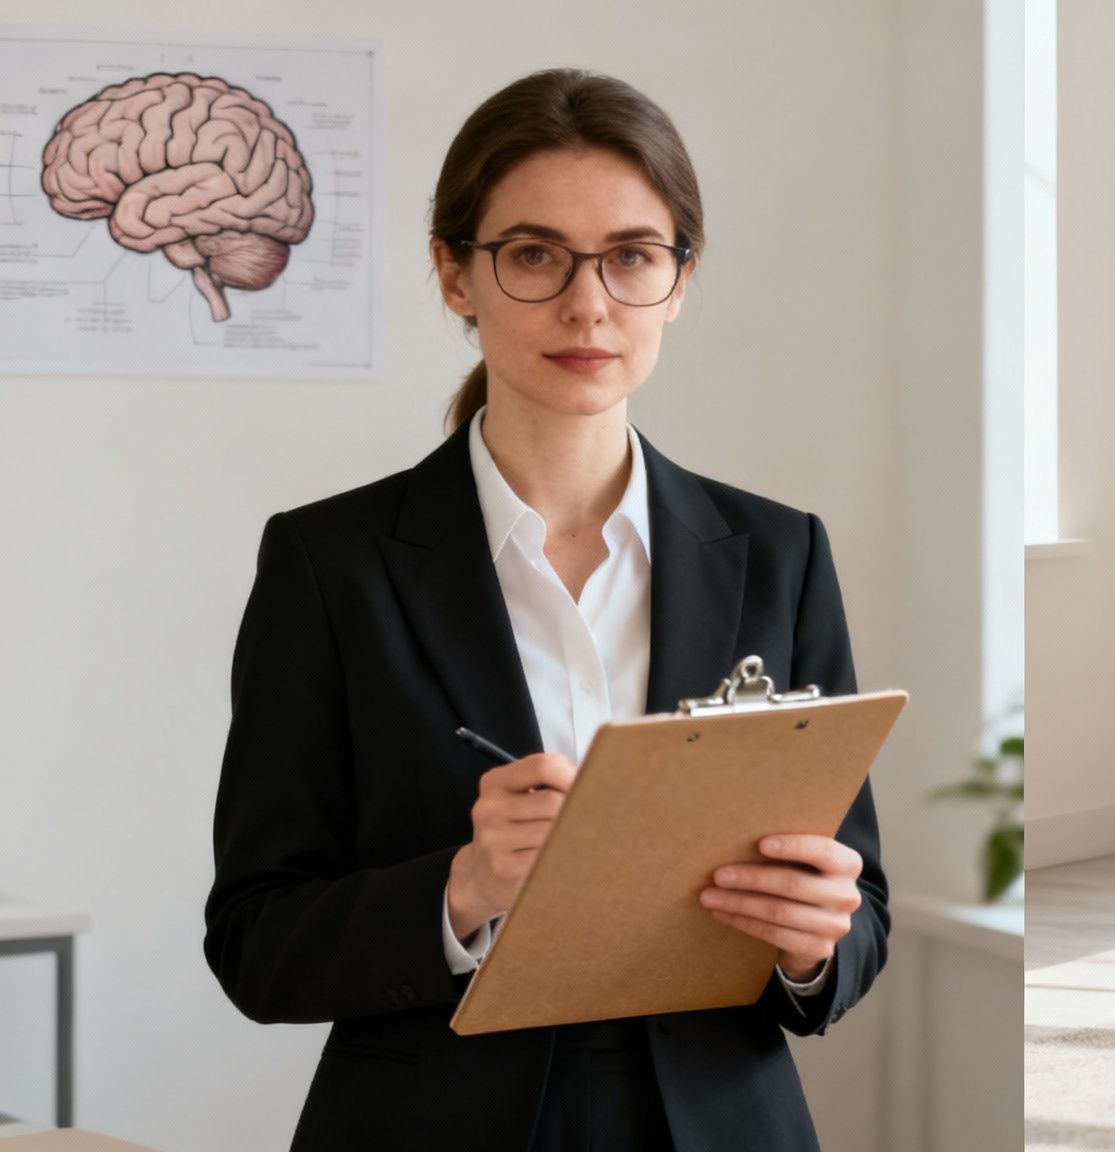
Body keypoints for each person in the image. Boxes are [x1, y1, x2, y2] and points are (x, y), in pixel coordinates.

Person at [203, 69, 885, 1150]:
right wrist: (463, 887)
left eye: (630, 256)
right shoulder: (329, 563)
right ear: (455, 275)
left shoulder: (778, 552)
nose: (587, 303)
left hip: (717, 1122)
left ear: (676, 281)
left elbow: (858, 915)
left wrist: (811, 946)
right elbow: (254, 941)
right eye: (533, 255)